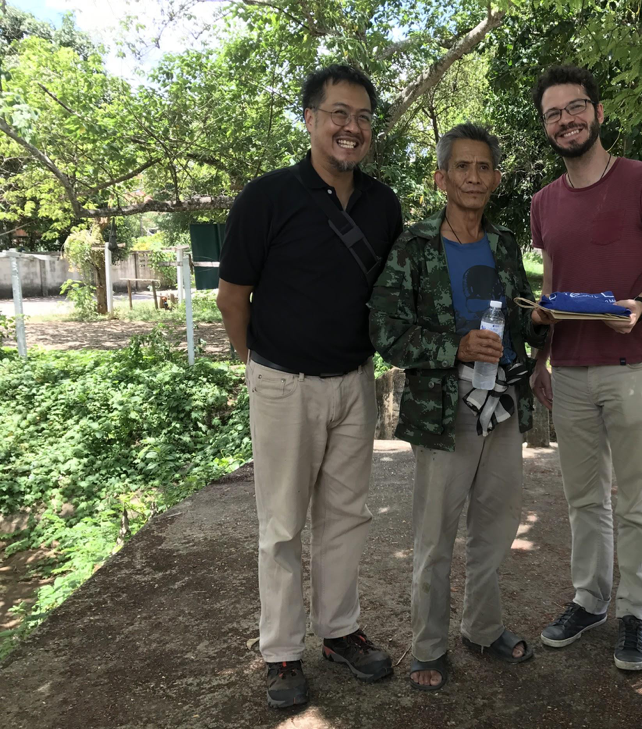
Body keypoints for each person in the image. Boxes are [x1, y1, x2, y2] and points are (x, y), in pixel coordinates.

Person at [216, 64, 402, 708]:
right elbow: (232, 297)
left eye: (362, 118)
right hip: (282, 382)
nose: (351, 128)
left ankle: (340, 631)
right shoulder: (266, 198)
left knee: (347, 518)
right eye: (339, 114)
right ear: (311, 120)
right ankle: (282, 652)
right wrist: (257, 367)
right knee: (281, 524)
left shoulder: (383, 205)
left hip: (355, 381)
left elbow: (387, 295)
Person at [369, 123, 553, 691]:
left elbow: (517, 315)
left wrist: (539, 318)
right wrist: (452, 348)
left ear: (495, 178)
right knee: (435, 532)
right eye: (463, 167)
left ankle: (482, 627)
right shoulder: (415, 246)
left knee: (496, 526)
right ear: (441, 176)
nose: (474, 177)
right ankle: (427, 647)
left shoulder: (501, 244)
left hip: (501, 399)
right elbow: (384, 328)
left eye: (484, 168)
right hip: (443, 408)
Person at [528, 65, 642, 671]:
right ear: (545, 125)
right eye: (553, 113)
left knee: (637, 499)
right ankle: (589, 599)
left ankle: (634, 614)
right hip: (568, 371)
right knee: (583, 499)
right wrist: (541, 353)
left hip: (630, 364)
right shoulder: (542, 203)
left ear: (596, 112)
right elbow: (552, 284)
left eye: (575, 108)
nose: (566, 120)